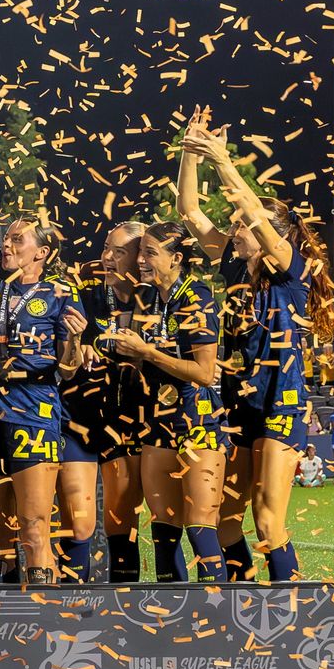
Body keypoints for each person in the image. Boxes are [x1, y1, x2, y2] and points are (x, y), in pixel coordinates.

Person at [179, 109, 334, 582]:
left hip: (280, 401)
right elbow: (190, 211)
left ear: (275, 234)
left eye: (247, 224)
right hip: (238, 401)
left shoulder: (292, 269)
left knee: (268, 520)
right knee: (227, 521)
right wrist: (190, 153)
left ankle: (290, 609)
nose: (236, 228)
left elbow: (249, 209)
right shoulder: (232, 265)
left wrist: (224, 161)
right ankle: (239, 609)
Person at [100, 222, 225, 582]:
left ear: (177, 258)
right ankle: (170, 623)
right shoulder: (148, 298)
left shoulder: (196, 296)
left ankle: (219, 619)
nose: (141, 260)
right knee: (163, 529)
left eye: (151, 253)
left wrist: (147, 352)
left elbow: (203, 372)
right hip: (157, 420)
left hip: (198, 421)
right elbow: (141, 355)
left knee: (201, 525)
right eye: (141, 252)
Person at [0, 218, 84, 585]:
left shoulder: (60, 292)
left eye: (17, 240)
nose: (7, 245)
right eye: (6, 238)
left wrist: (73, 341)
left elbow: (69, 370)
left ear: (42, 252)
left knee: (34, 528)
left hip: (33, 412)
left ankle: (45, 623)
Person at [74, 222, 147, 582]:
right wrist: (80, 343)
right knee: (117, 521)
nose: (106, 257)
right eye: (106, 247)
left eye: (119, 252)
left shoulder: (154, 296)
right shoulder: (87, 289)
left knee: (168, 520)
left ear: (140, 257)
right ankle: (121, 607)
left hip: (151, 416)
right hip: (100, 416)